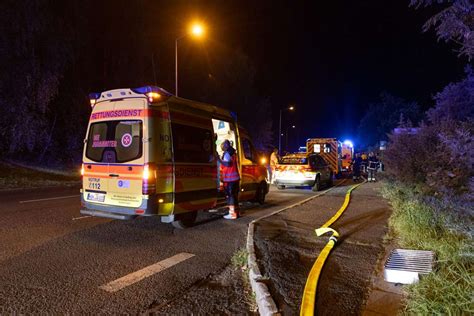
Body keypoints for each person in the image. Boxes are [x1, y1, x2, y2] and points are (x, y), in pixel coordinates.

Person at [216, 140, 241, 220]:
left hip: (230, 179)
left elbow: (228, 164)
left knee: (230, 197)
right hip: (235, 179)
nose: (222, 147)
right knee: (234, 197)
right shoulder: (232, 152)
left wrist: (219, 160)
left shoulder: (227, 154)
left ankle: (232, 214)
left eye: (222, 146)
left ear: (225, 146)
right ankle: (236, 213)